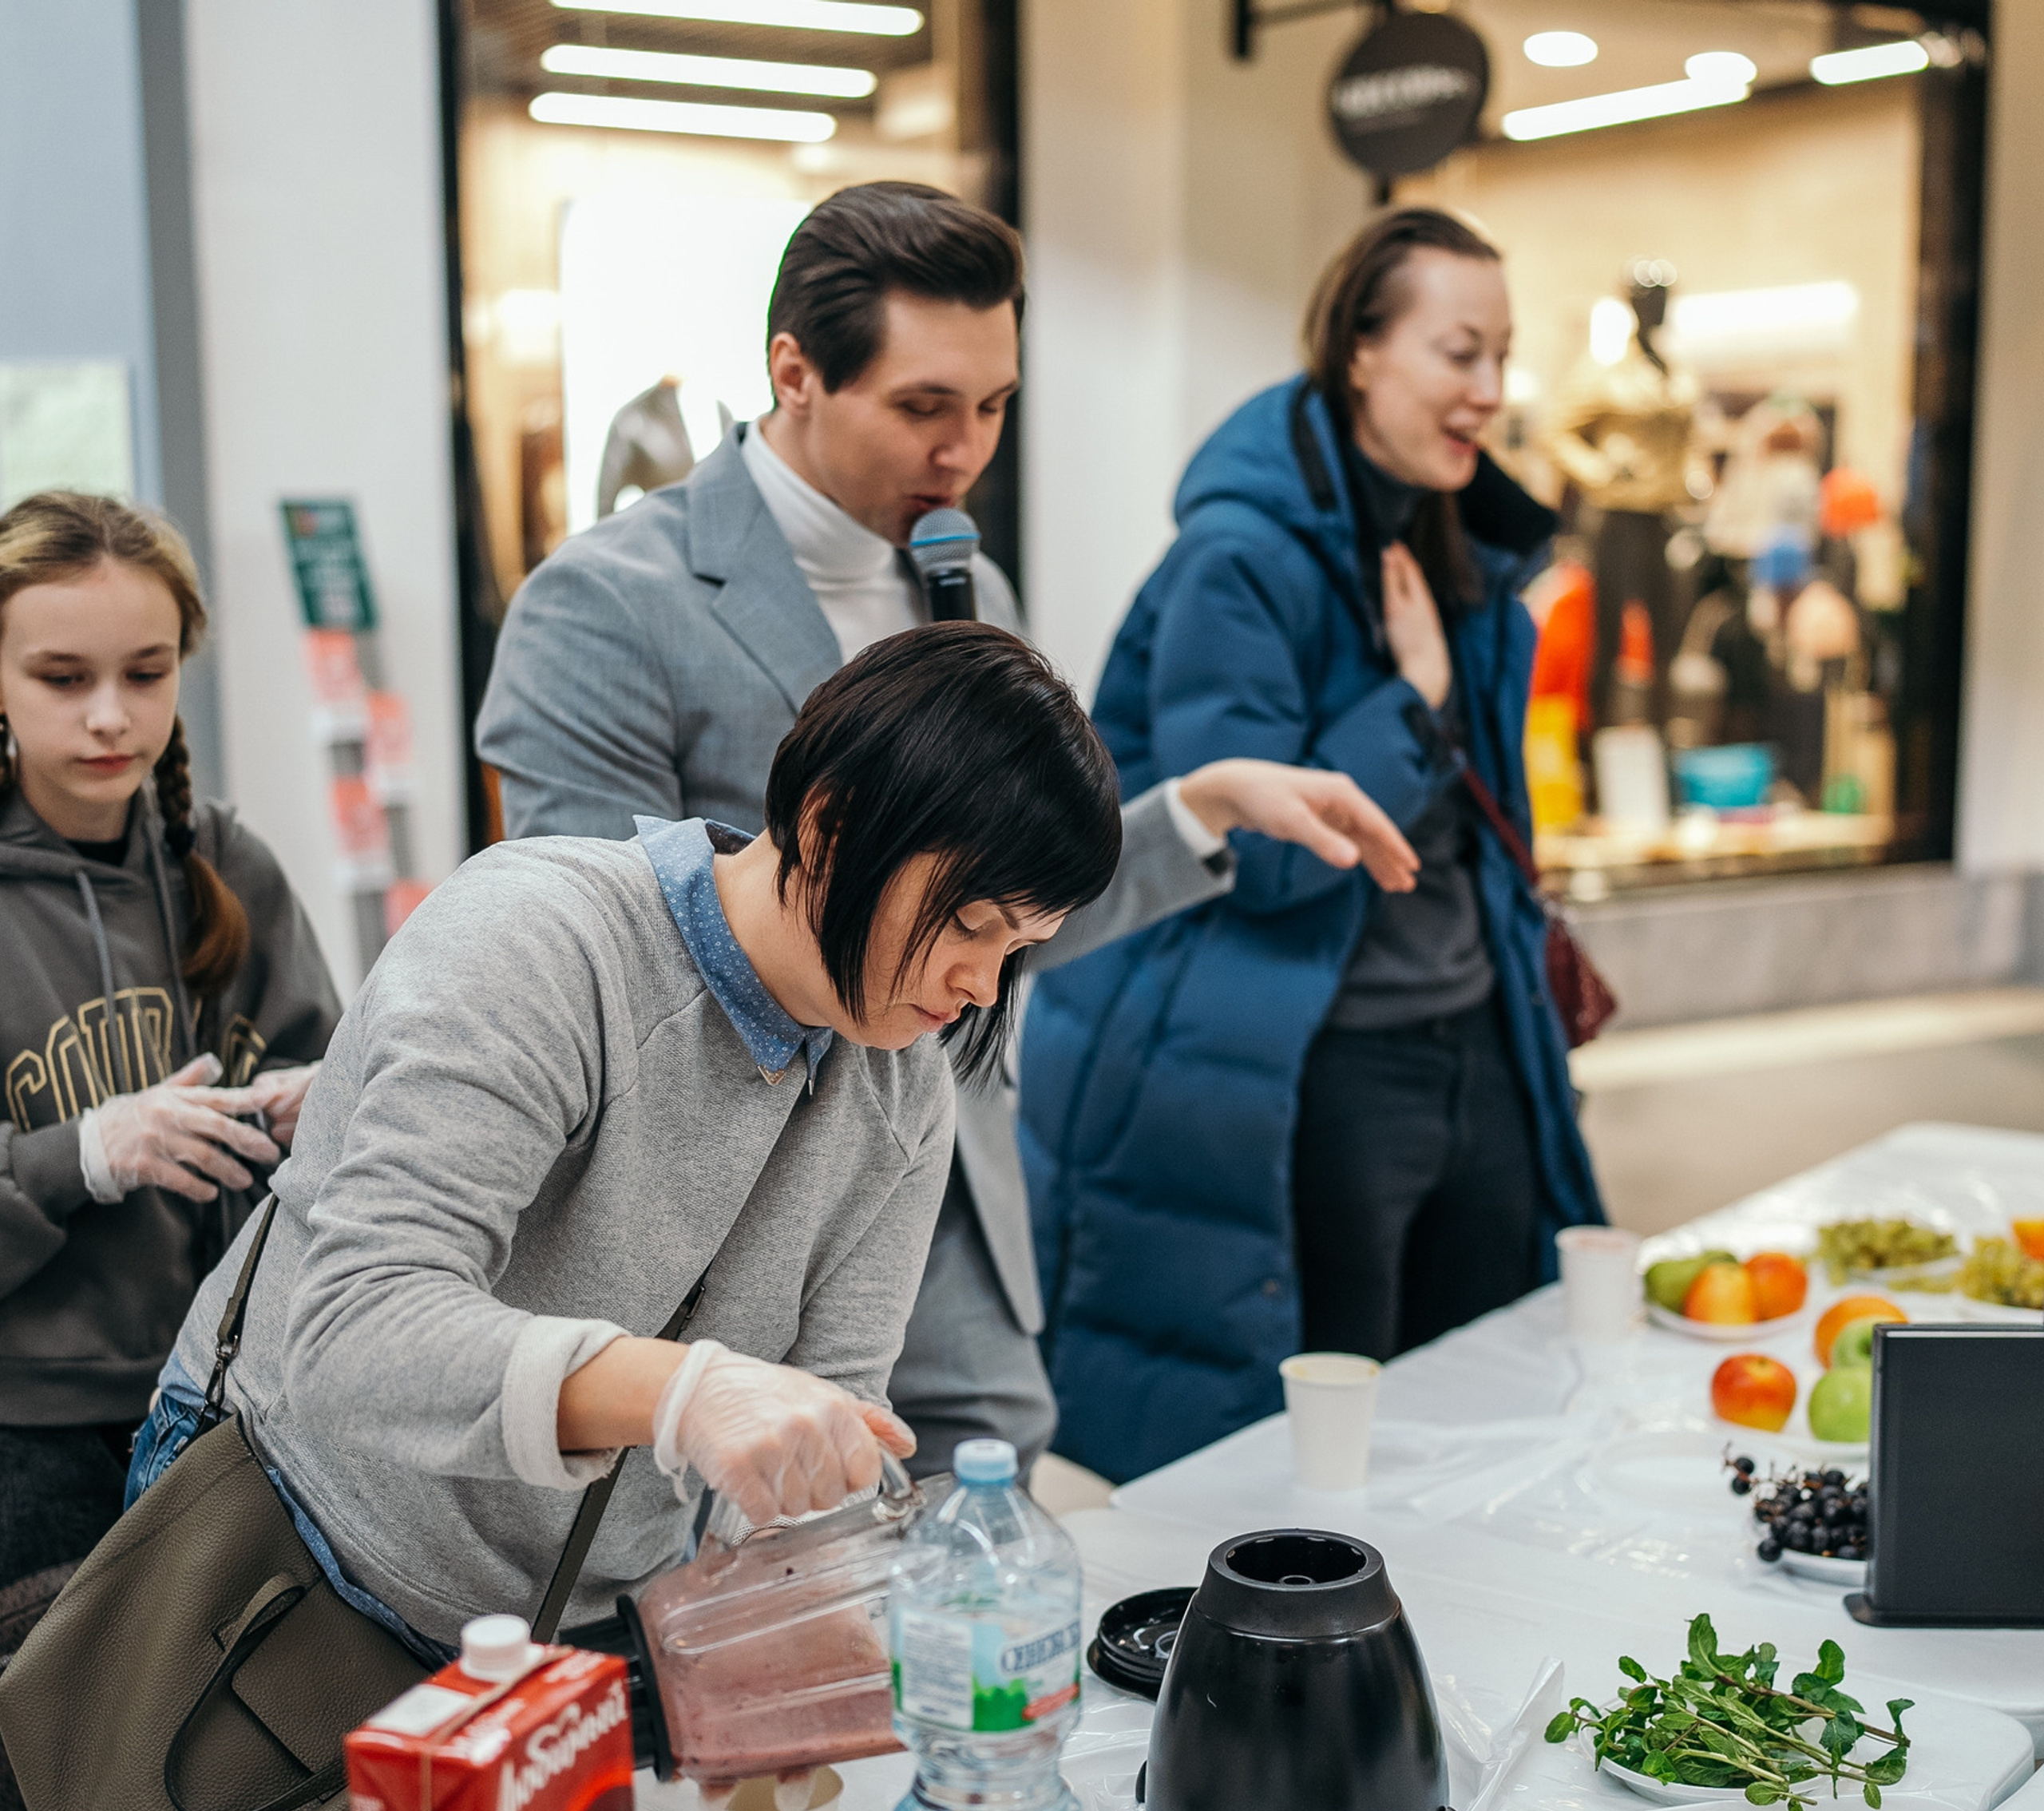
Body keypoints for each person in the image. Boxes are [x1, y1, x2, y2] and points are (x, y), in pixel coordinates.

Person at [478, 181, 1419, 1478]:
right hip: (728, 1212)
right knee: (750, 1576)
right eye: (925, 407)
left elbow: (988, 915)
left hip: (952, 1166)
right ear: (794, 372)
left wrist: (1198, 812)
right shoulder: (605, 606)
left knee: (991, 1513)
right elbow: (596, 963)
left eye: (993, 406)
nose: (966, 449)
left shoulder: (967, 585)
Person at [132, 625, 1120, 1678]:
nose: (979, 984)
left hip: (565, 1624)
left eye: (1017, 949)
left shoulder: (902, 1075)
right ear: (832, 826)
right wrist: (683, 1395)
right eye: (969, 923)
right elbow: (357, 1331)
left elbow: (832, 1417)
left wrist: (826, 1610)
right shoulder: (539, 942)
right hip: (299, 1542)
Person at [1019, 208, 1607, 1484]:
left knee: (1490, 1397)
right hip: (1314, 1067)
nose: (1490, 393)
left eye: (1504, 356)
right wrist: (1411, 695)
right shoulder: (1238, 561)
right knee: (1330, 1452)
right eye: (1459, 354)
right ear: (1360, 351)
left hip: (1477, 1041)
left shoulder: (1463, 546)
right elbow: (1268, 859)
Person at [0, 491, 338, 1811]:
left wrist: (324, 1114)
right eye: (61, 679)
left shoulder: (229, 871)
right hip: (26, 1458)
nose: (108, 718)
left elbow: (340, 1115)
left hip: (216, 1429)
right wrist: (86, 1150)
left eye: (144, 673)